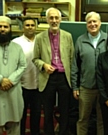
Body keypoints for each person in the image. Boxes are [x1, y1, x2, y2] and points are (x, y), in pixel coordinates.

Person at [32, 7, 74, 135]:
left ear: (61, 19)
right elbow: (35, 59)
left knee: (64, 109)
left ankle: (63, 132)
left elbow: (72, 58)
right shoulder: (39, 37)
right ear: (46, 20)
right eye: (51, 18)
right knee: (48, 110)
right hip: (47, 77)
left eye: (56, 18)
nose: (54, 20)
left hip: (64, 77)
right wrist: (44, 65)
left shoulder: (68, 36)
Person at [71, 11, 107, 135]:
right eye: (89, 22)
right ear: (86, 24)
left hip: (104, 89)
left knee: (102, 120)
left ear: (100, 23)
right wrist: (75, 86)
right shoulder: (80, 40)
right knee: (83, 119)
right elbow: (75, 65)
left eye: (95, 21)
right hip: (85, 88)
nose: (92, 24)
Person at [12, 17, 42, 135]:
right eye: (27, 25)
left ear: (36, 27)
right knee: (21, 114)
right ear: (22, 27)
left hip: (38, 84)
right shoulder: (16, 42)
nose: (30, 27)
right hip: (21, 85)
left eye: (32, 25)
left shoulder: (41, 41)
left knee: (36, 113)